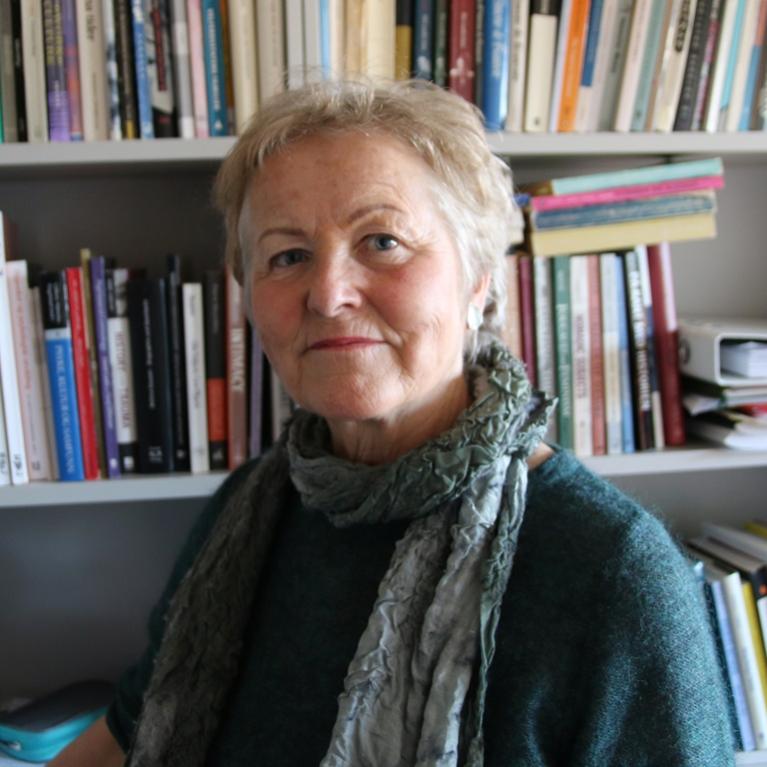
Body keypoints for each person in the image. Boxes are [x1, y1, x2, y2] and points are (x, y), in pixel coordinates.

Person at [50, 79, 735, 767]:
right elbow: (132, 728)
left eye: (382, 240)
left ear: (477, 280)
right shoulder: (245, 511)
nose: (328, 294)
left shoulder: (613, 570)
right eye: (288, 256)